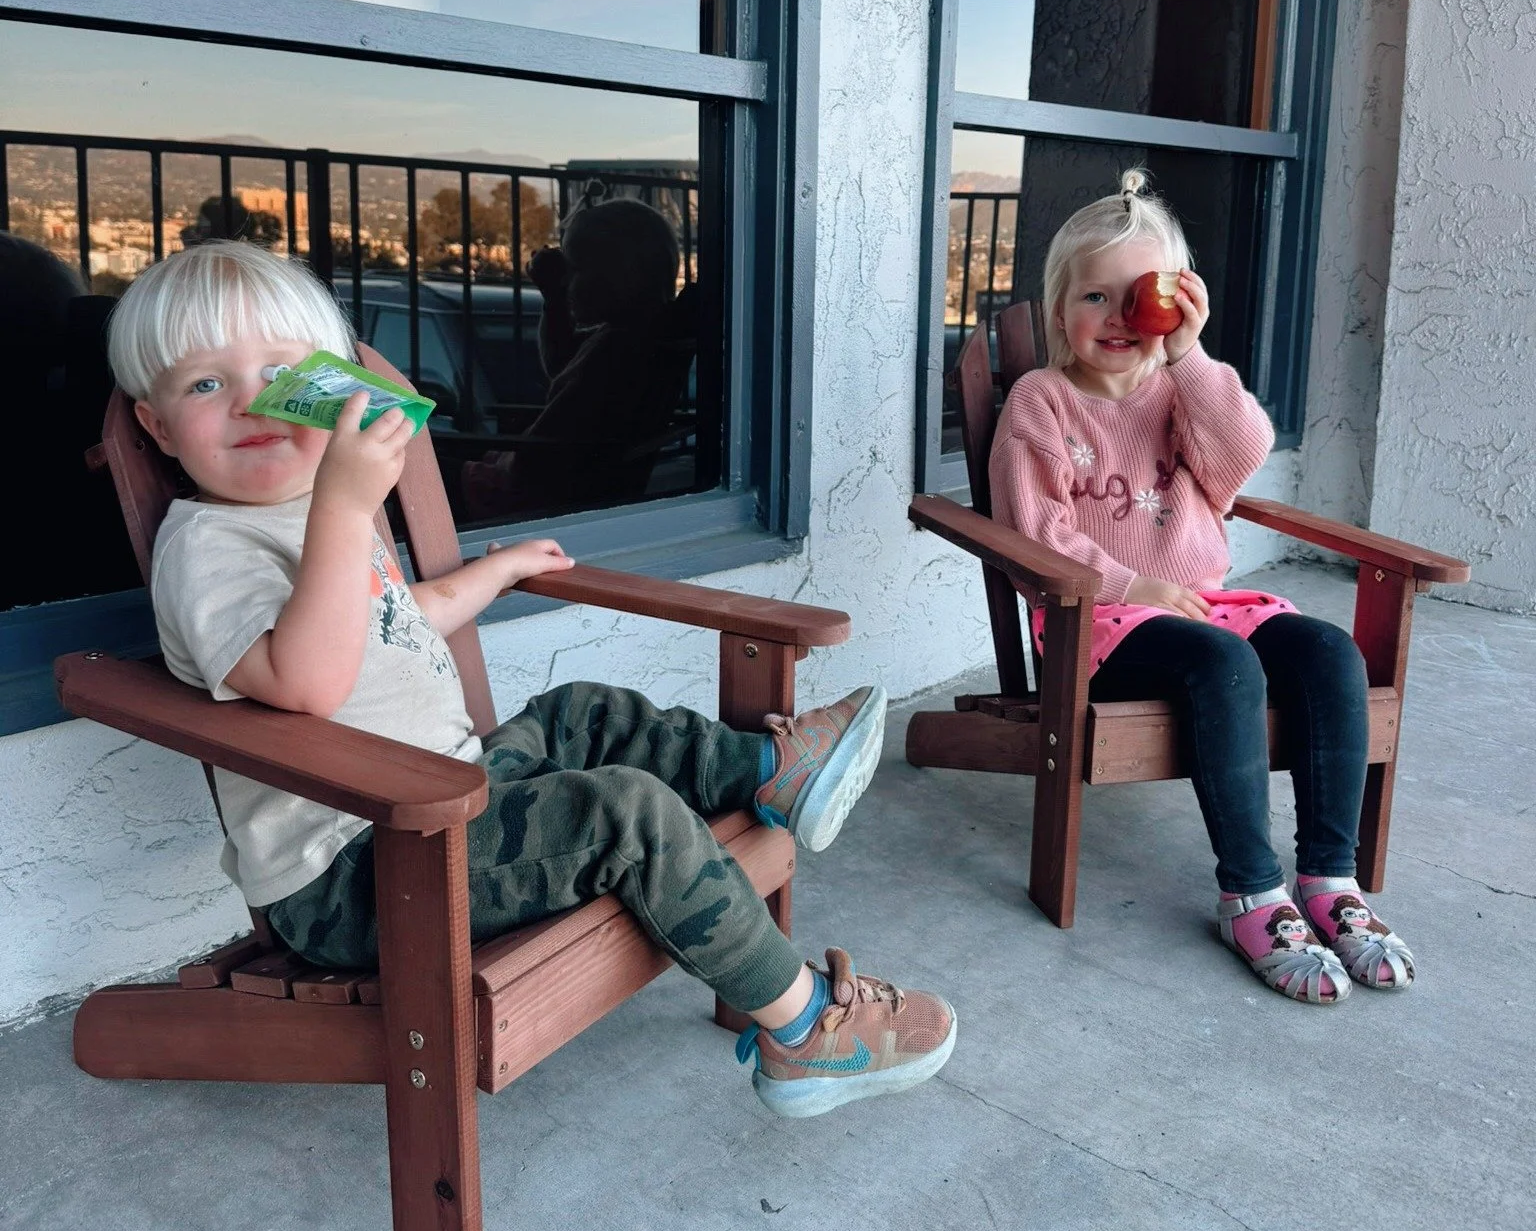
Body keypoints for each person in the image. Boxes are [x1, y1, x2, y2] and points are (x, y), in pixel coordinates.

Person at [108, 239, 955, 1116]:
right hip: (357, 876)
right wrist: (347, 505)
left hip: (448, 797)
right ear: (157, 426)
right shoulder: (209, 549)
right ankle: (803, 1029)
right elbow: (309, 680)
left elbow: (397, 619)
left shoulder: (310, 513)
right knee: (624, 812)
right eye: (206, 384)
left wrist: (496, 572)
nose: (251, 401)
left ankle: (770, 773)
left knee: (576, 712)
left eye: (280, 373)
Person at [989, 170, 1415, 1004]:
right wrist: (1132, 584)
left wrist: (1189, 356)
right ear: (1058, 309)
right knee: (1227, 667)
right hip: (1098, 626)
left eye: (1139, 297)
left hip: (1209, 610)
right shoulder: (1041, 403)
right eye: (1094, 298)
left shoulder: (1180, 390)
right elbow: (1032, 533)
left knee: (1329, 653)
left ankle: (1331, 881)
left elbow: (1238, 457)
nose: (1118, 319)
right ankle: (1252, 894)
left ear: (1177, 304)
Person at [461, 194, 698, 520]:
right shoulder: (636, 338)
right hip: (555, 486)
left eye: (575, 268)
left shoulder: (617, 353)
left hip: (524, 498)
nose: (566, 281)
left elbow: (534, 469)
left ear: (621, 276)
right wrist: (554, 298)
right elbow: (562, 365)